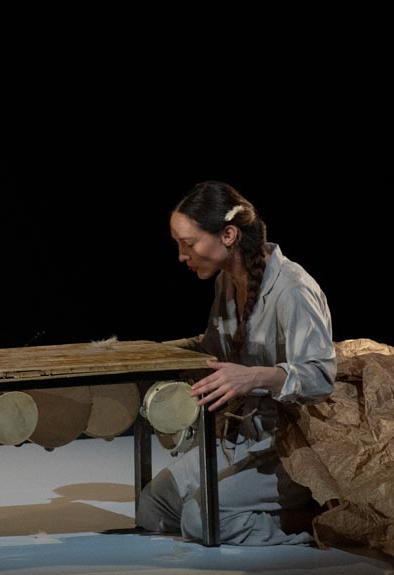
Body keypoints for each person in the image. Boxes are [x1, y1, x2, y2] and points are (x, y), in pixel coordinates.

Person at [136, 180, 336, 545]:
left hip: (291, 449)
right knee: (153, 506)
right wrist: (149, 352)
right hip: (244, 438)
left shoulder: (293, 289)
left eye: (189, 244)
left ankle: (313, 521)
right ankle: (242, 504)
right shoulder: (226, 283)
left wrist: (253, 378)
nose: (183, 256)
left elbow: (320, 377)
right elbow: (211, 347)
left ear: (228, 234)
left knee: (201, 520)